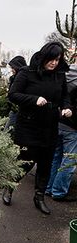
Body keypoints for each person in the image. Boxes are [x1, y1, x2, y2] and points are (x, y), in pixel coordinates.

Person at [2, 41, 72, 214]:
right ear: (43, 57)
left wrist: (66, 107)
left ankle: (39, 197)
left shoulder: (59, 75)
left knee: (45, 164)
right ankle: (10, 187)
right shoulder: (27, 73)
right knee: (26, 162)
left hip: (49, 127)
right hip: (28, 125)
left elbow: (65, 96)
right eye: (51, 59)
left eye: (57, 60)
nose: (54, 63)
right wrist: (34, 100)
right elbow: (13, 95)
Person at [46, 64, 77, 201]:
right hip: (72, 126)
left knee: (56, 157)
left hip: (58, 121)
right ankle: (58, 192)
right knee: (69, 160)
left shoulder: (62, 74)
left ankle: (48, 187)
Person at [4, 56, 27, 134]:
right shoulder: (13, 78)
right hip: (13, 110)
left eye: (13, 68)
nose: (12, 70)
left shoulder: (24, 79)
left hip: (19, 111)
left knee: (7, 132)